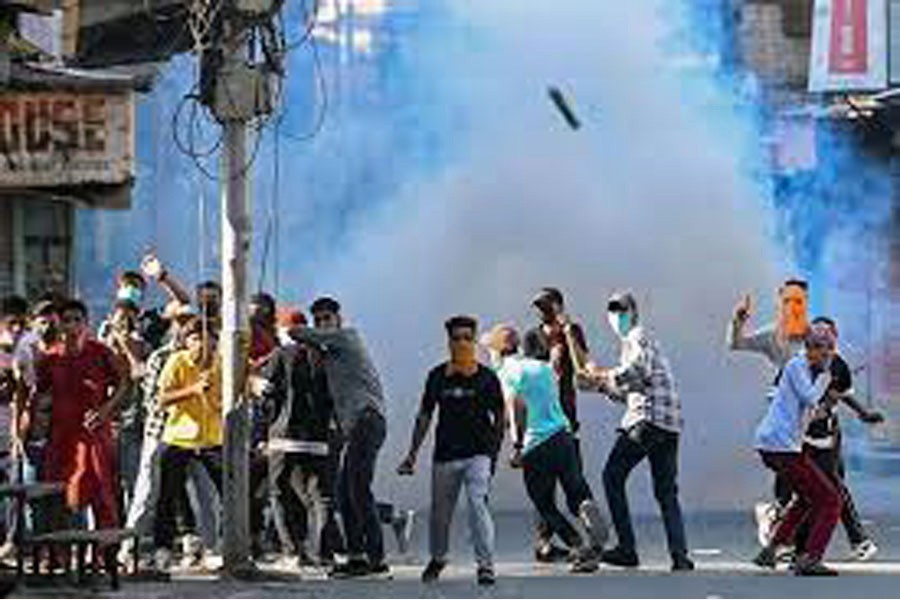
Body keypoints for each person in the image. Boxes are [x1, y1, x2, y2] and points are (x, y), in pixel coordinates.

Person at [568, 291, 693, 571]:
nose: (616, 316)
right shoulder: (644, 342)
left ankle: (627, 549)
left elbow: (636, 370)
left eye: (621, 310)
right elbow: (632, 388)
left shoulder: (636, 337)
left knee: (612, 477)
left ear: (634, 312)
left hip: (647, 419)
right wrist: (600, 386)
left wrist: (600, 375)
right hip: (669, 424)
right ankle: (680, 556)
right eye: (612, 310)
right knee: (666, 492)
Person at [485, 323, 608, 574]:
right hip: (563, 436)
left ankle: (577, 546)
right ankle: (586, 508)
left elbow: (516, 406)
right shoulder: (541, 367)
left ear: (499, 350)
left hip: (536, 445)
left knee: (544, 504)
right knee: (576, 491)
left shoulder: (505, 372)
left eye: (490, 350)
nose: (489, 355)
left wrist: (517, 446)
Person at [397, 316, 504, 586]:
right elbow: (424, 415)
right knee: (440, 515)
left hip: (478, 453)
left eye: (467, 338)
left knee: (477, 505)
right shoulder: (437, 376)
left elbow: (500, 417)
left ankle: (486, 565)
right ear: (448, 341)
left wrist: (493, 454)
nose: (462, 343)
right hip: (445, 454)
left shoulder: (487, 378)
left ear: (475, 340)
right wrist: (412, 454)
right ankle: (438, 557)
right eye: (456, 338)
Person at [289, 297, 388, 578]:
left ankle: (377, 560)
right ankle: (357, 557)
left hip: (366, 420)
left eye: (327, 318)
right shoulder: (330, 355)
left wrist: (296, 328)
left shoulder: (347, 337)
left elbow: (298, 332)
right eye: (318, 319)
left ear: (338, 319)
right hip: (354, 426)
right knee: (345, 493)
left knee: (358, 489)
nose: (323, 324)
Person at [752, 325, 842, 576]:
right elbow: (810, 398)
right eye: (823, 350)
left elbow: (810, 410)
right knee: (831, 500)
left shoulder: (807, 369)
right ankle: (811, 558)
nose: (827, 356)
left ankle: (770, 550)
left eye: (830, 350)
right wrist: (825, 381)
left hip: (780, 444)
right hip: (779, 444)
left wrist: (824, 403)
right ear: (810, 348)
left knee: (805, 498)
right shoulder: (797, 366)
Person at [728, 279, 810, 544]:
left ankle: (787, 526)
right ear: (780, 302)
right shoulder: (773, 334)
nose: (794, 306)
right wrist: (738, 321)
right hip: (783, 411)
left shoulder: (813, 335)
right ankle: (777, 519)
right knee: (788, 466)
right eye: (788, 301)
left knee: (810, 471)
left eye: (799, 301)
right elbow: (736, 344)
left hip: (808, 412)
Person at [793, 316, 882, 561]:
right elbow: (782, 396)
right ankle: (793, 546)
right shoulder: (796, 365)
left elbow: (841, 393)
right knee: (807, 490)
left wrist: (863, 413)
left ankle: (853, 541)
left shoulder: (838, 364)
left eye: (828, 342)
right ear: (809, 344)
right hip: (797, 436)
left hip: (825, 436)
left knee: (830, 487)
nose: (824, 349)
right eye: (818, 342)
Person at [258, 310, 339, 567]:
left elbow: (266, 392)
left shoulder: (281, 354)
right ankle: (324, 553)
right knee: (319, 497)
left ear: (286, 330)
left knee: (279, 493)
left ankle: (292, 552)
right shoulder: (325, 356)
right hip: (318, 438)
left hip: (285, 437)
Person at [38, 299, 127, 531]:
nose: (72, 326)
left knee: (102, 490)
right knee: (61, 491)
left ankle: (106, 549)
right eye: (67, 320)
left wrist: (105, 411)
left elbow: (124, 384)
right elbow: (39, 395)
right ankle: (59, 550)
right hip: (61, 436)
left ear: (86, 323)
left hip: (93, 432)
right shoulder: (49, 358)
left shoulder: (100, 352)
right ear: (58, 325)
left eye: (77, 320)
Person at [522, 288, 591, 562]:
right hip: (540, 420)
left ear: (560, 306)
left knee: (574, 482)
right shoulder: (532, 337)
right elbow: (529, 377)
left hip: (566, 419)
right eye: (539, 306)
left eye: (547, 305)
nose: (542, 311)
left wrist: (569, 334)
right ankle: (545, 543)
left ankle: (588, 536)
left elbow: (582, 366)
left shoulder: (573, 331)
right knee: (544, 488)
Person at [152, 317, 223, 570]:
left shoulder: (222, 362)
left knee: (226, 492)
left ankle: (217, 546)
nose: (201, 344)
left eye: (206, 338)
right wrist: (192, 390)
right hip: (179, 438)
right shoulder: (177, 361)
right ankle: (163, 547)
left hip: (212, 439)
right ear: (186, 342)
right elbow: (161, 398)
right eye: (194, 338)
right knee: (168, 495)